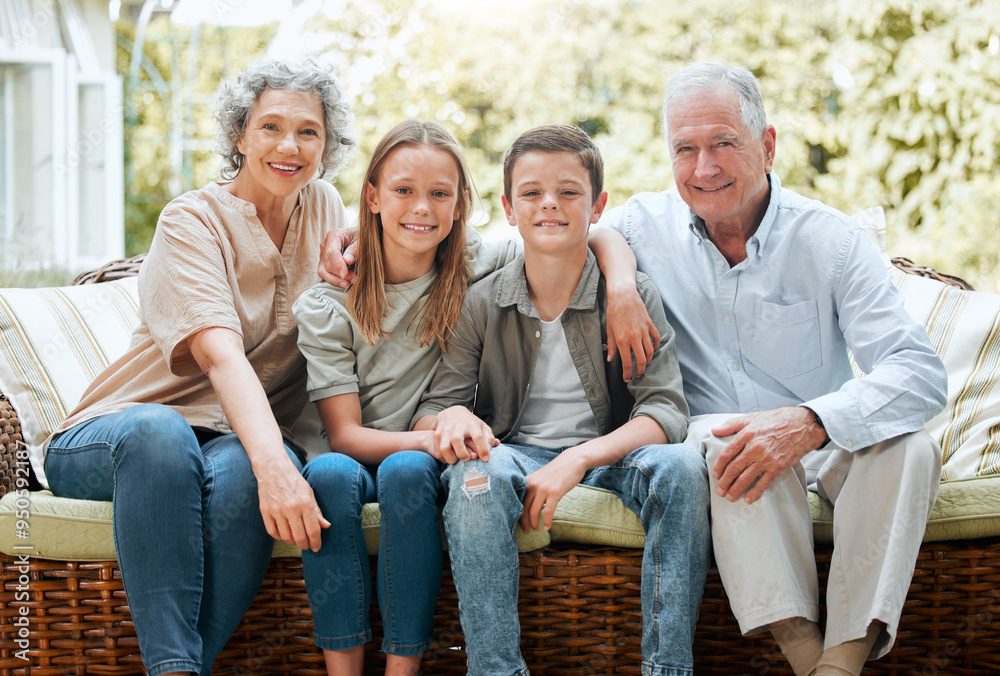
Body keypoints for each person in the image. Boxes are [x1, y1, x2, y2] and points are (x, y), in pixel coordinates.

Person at [595, 62, 948, 676]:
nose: (704, 168)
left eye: (723, 143)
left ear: (767, 144)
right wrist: (621, 284)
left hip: (821, 445)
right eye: (685, 149)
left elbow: (919, 373)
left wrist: (810, 421)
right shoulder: (641, 228)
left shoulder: (833, 241)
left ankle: (842, 660)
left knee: (912, 448)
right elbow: (556, 231)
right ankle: (810, 658)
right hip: (716, 445)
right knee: (734, 439)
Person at [296, 120, 658, 676]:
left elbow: (581, 233)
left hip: (416, 455)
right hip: (361, 448)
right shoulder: (330, 302)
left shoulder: (470, 263)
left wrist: (624, 287)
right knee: (329, 476)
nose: (422, 208)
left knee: (407, 474)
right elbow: (343, 435)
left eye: (440, 194)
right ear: (371, 196)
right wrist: (443, 433)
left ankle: (402, 670)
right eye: (402, 190)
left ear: (461, 204)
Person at [42, 59, 357, 676]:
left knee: (243, 471)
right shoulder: (190, 220)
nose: (289, 146)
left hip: (230, 438)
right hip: (118, 435)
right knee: (165, 433)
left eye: (308, 132)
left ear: (327, 146)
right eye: (270, 127)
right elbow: (219, 354)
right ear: (239, 134)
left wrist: (358, 240)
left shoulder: (323, 206)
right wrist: (278, 468)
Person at [412, 124, 711, 676]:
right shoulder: (481, 302)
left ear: (597, 206)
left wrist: (576, 459)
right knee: (473, 477)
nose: (549, 203)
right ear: (508, 208)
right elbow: (436, 407)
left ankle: (668, 668)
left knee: (684, 468)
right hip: (515, 450)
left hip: (610, 455)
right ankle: (496, 669)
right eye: (531, 192)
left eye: (568, 191)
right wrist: (452, 415)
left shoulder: (632, 296)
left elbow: (665, 411)